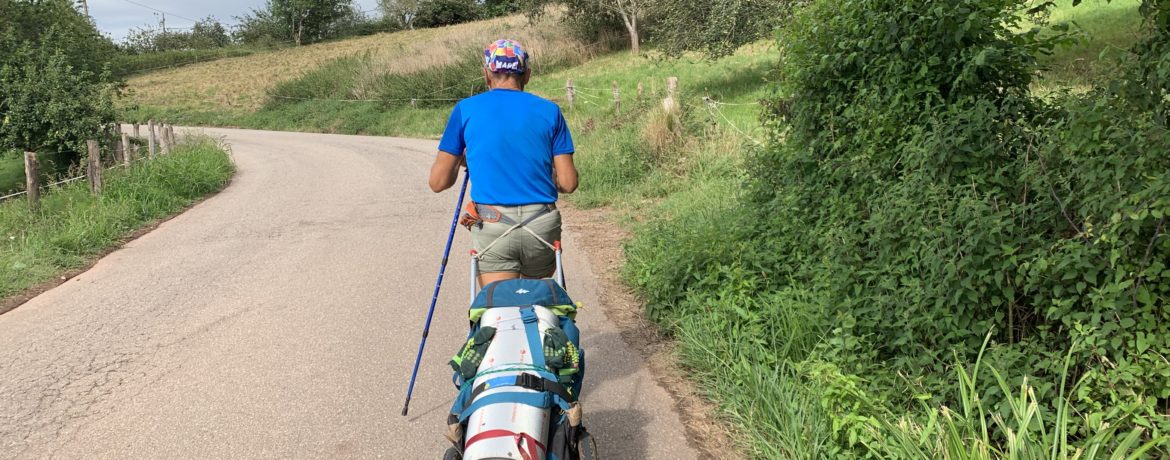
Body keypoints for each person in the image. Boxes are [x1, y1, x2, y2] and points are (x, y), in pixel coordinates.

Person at [429, 38, 578, 289]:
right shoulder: (550, 111)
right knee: (535, 303)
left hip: (493, 224)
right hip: (541, 224)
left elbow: (438, 183)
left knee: (500, 304)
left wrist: (464, 161)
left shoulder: (466, 109)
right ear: (527, 75)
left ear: (487, 74)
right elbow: (569, 183)